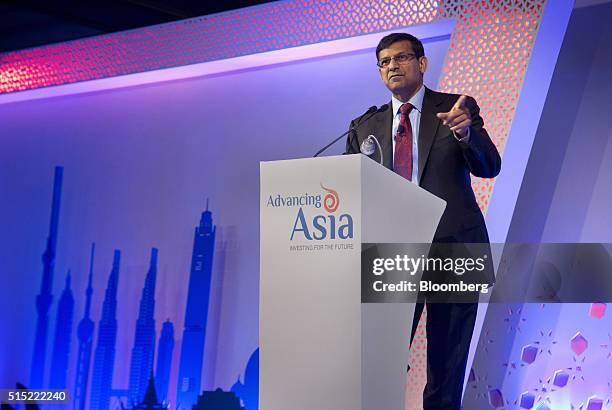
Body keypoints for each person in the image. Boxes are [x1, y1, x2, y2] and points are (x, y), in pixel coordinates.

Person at [345, 33, 501, 410]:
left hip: (453, 246)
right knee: (377, 358)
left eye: (400, 58)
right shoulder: (364, 125)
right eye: (384, 62)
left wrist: (465, 133)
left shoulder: (455, 108)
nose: (392, 66)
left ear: (422, 63)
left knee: (446, 364)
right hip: (392, 253)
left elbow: (489, 167)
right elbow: (350, 191)